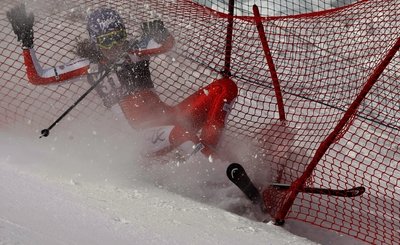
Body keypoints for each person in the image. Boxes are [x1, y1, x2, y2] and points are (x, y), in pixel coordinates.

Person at [7, 4, 238, 162]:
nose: (114, 44)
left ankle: (212, 156)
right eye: (106, 40)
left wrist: (160, 31)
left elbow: (166, 45)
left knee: (225, 87)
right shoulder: (90, 65)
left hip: (170, 118)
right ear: (96, 42)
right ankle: (213, 171)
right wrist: (27, 43)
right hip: (142, 138)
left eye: (118, 36)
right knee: (181, 134)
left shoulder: (135, 50)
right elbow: (38, 77)